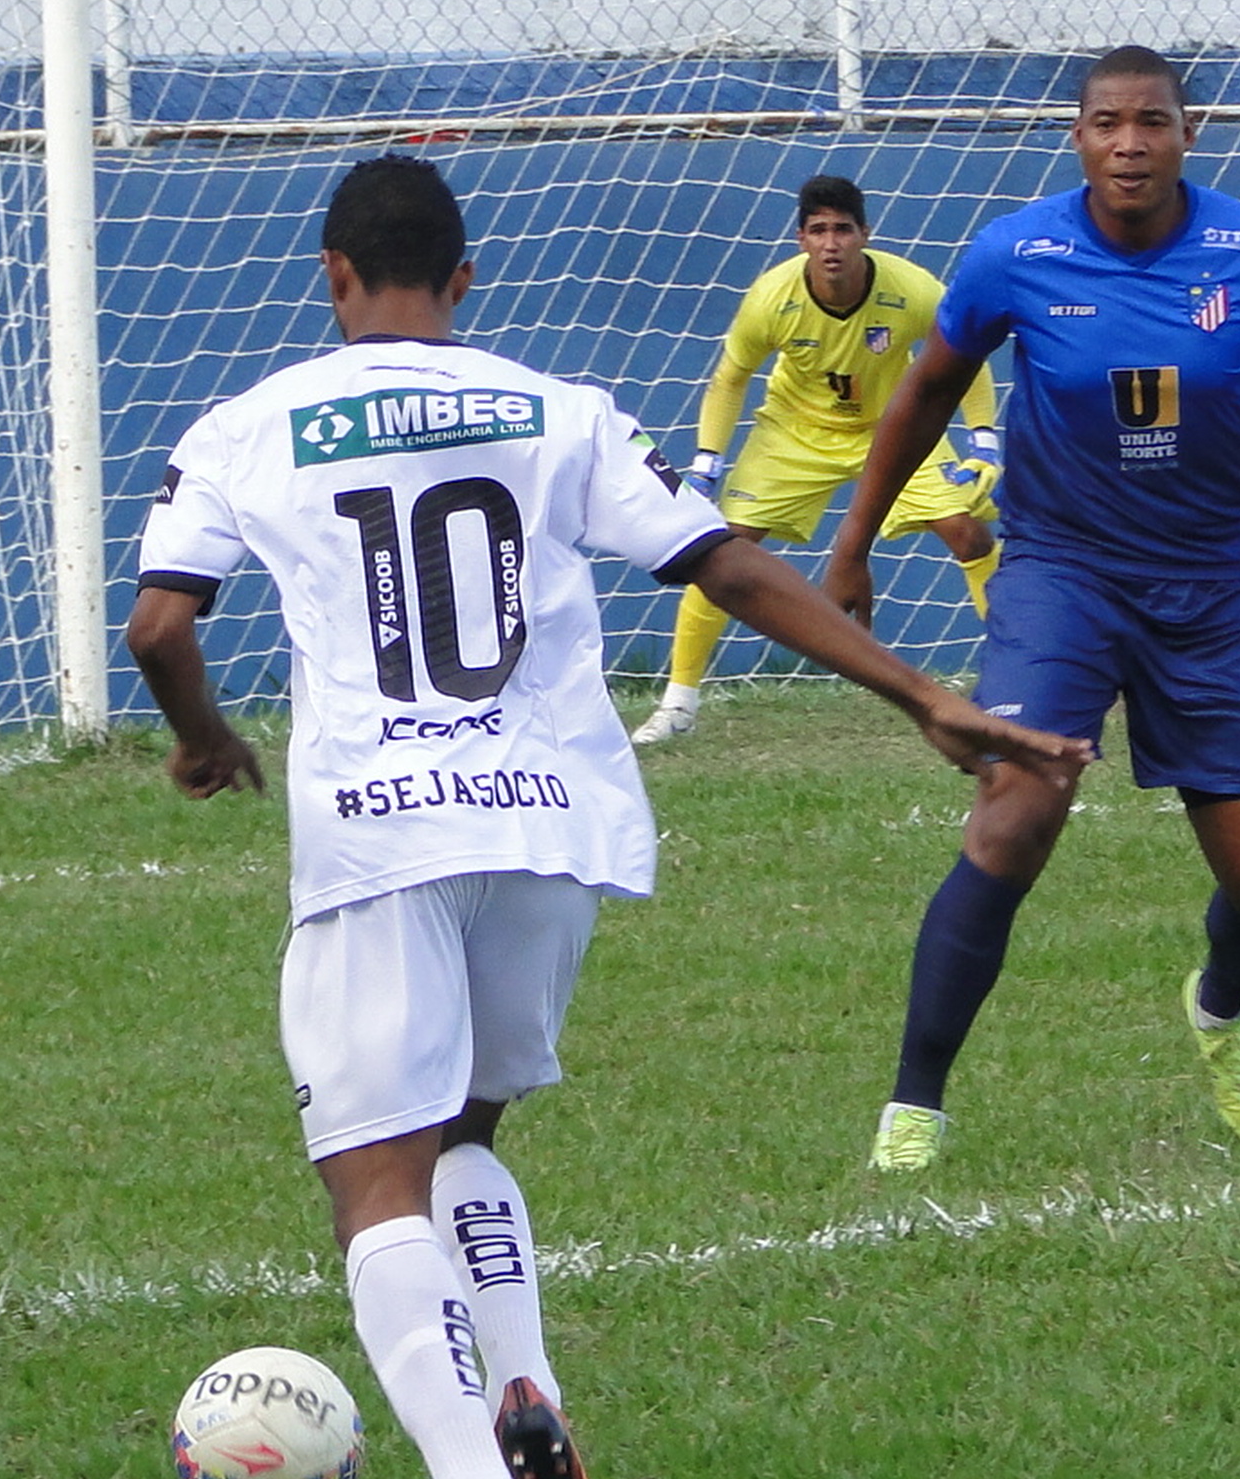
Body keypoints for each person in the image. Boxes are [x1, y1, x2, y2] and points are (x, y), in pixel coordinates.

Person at [126, 155, 1090, 1479]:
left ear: (332, 278)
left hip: (379, 833)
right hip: (545, 825)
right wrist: (923, 694)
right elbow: (729, 564)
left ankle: (474, 1464)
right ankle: (525, 1382)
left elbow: (161, 624)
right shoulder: (557, 408)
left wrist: (203, 738)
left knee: (374, 1184)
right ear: (465, 282)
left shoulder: (253, 421)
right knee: (463, 1131)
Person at [824, 45, 1240, 1171]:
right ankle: (914, 1107)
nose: (1129, 144)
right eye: (1107, 123)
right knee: (1014, 811)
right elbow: (923, 391)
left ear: (1184, 134)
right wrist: (852, 545)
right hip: (1060, 574)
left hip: (1209, 588)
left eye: (1150, 122)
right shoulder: (1016, 251)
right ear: (1078, 138)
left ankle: (1214, 1008)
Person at [630, 173, 1006, 746]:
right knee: (718, 551)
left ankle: (1015, 683)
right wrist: (708, 459)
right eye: (819, 231)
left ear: (865, 235)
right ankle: (678, 704)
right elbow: (732, 377)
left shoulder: (912, 289)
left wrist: (983, 440)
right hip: (795, 431)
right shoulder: (772, 297)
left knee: (969, 535)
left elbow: (965, 355)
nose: (832, 244)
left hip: (893, 427)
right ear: (801, 238)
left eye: (843, 230)